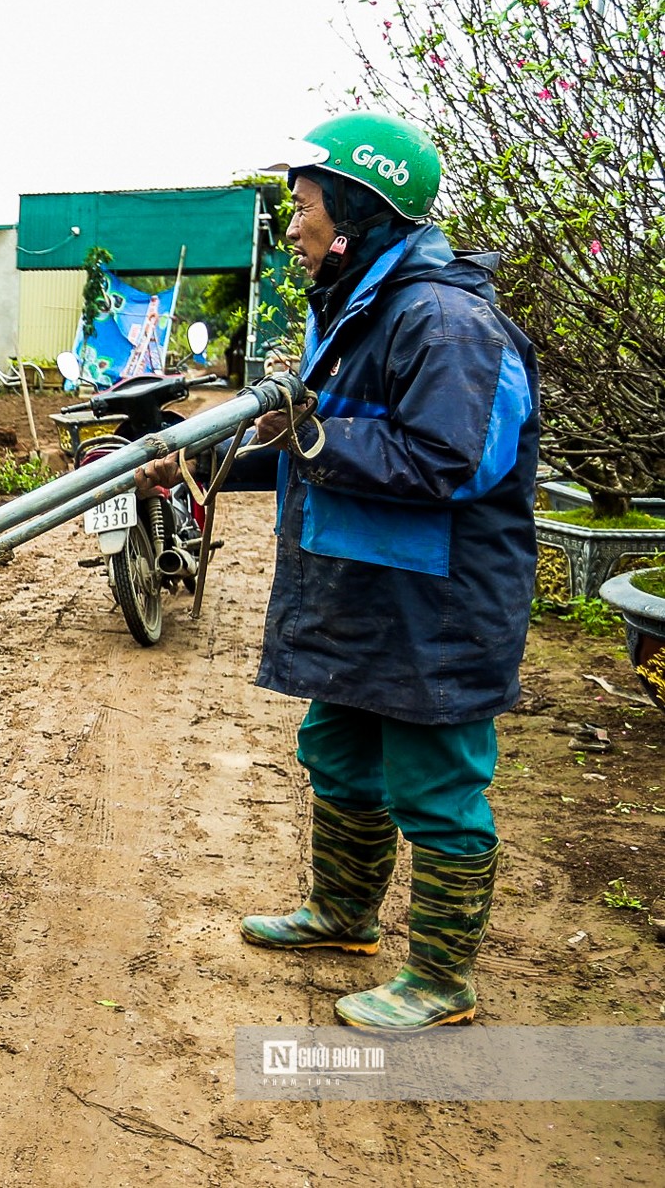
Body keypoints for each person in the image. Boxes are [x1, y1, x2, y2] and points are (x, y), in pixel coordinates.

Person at [137, 110, 538, 1030]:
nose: (293, 225)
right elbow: (317, 447)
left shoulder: (444, 320)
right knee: (340, 754)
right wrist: (204, 464)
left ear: (357, 212)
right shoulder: (361, 307)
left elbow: (453, 459)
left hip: (433, 602)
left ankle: (441, 980)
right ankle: (346, 915)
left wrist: (309, 432)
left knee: (436, 784)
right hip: (361, 587)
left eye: (306, 205)